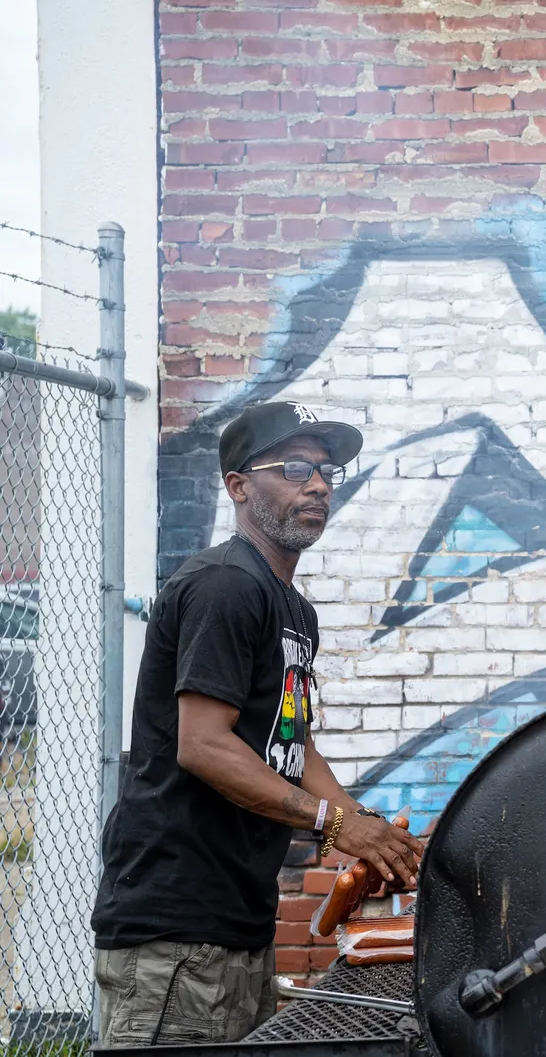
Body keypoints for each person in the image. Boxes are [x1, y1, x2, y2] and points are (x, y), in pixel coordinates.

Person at [91, 401, 424, 1044]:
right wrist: (334, 824)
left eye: (327, 472)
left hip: (237, 922)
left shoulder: (293, 609)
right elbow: (203, 746)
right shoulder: (225, 586)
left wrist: (366, 828)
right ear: (239, 486)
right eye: (295, 468)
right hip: (175, 931)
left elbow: (295, 745)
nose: (319, 485)